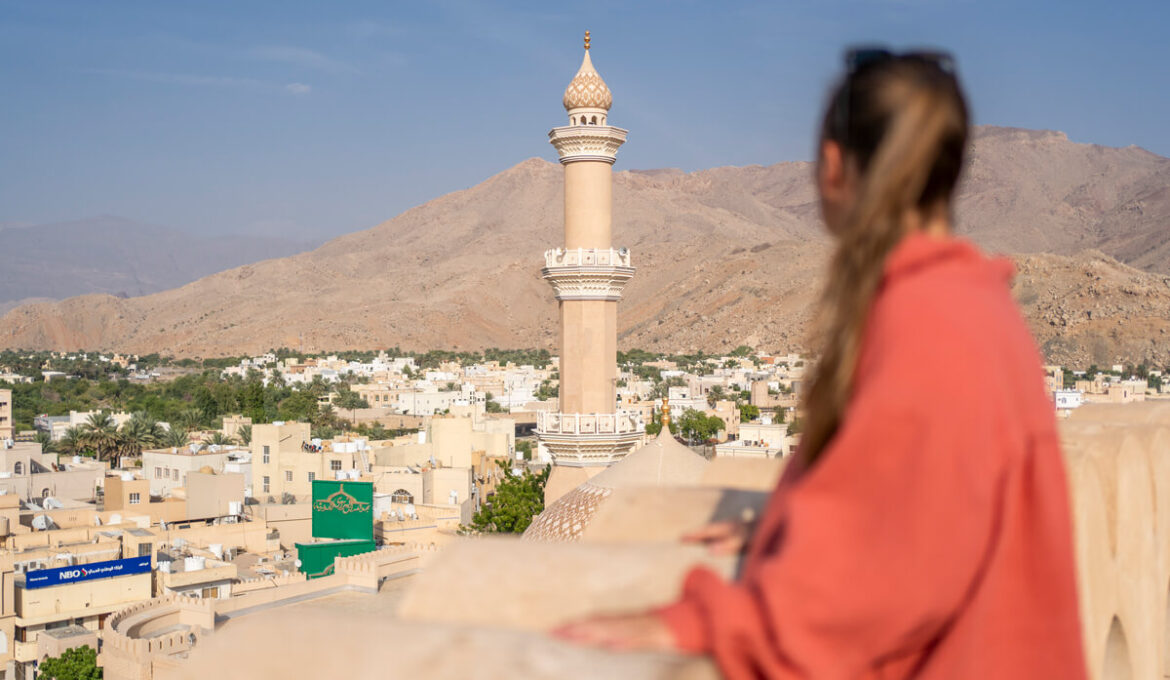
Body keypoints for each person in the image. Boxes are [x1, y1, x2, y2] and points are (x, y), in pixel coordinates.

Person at [554, 47, 1087, 679]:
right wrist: (790, 526)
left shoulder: (930, 323)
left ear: (833, 166)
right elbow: (915, 511)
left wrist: (702, 621)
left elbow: (879, 592)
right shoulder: (976, 307)